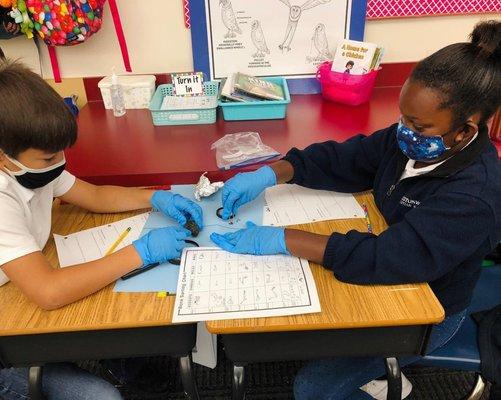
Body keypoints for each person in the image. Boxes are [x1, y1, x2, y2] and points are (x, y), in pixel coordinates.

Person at [211, 20, 501, 399]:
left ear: (463, 132)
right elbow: (350, 157)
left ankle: (389, 377)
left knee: (312, 387)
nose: (404, 131)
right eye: (403, 117)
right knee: (312, 329)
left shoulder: (474, 196)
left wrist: (283, 238)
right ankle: (380, 374)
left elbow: (391, 257)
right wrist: (274, 172)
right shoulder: (413, 141)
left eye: (419, 124)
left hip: (429, 309)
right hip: (390, 263)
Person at [0, 62, 203, 399]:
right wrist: (142, 251)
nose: (59, 162)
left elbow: (92, 195)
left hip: (21, 285)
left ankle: (128, 367)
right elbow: (48, 292)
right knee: (101, 397)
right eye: (50, 158)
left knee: (115, 298)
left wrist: (155, 198)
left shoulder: (27, 161)